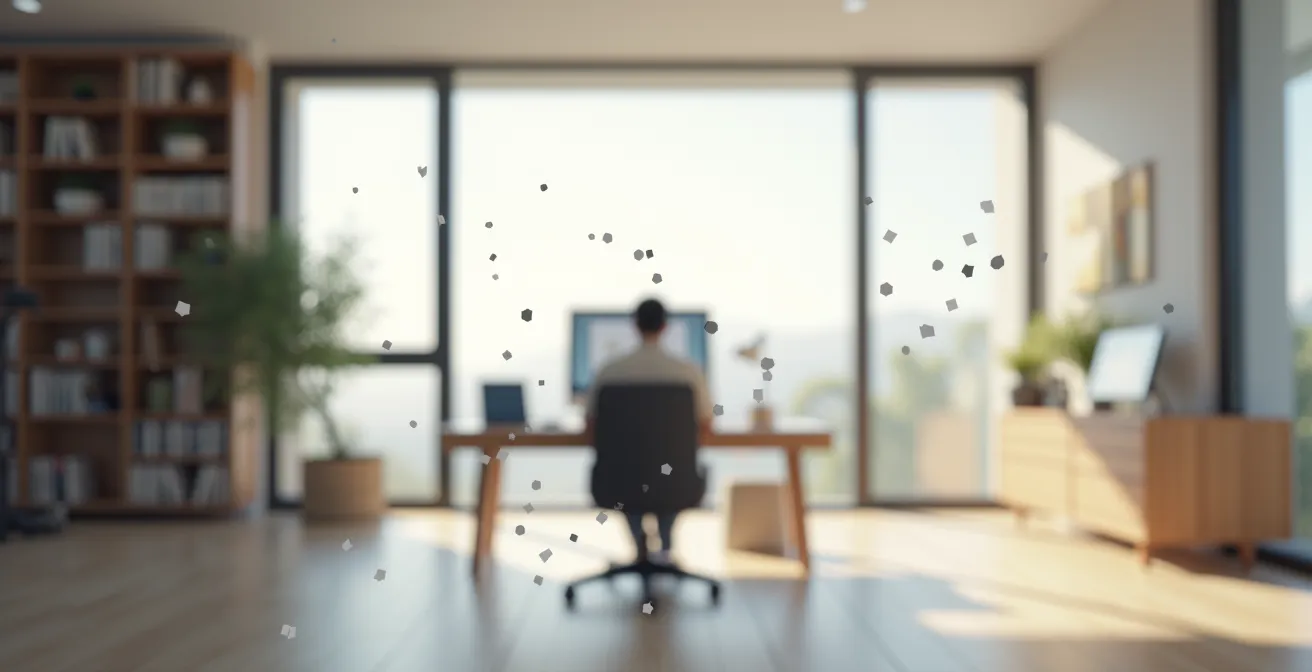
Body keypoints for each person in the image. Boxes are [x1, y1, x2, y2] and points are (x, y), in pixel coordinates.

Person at [584, 298, 713, 564]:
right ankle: (665, 542)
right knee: (666, 475)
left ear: (635, 325)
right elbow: (707, 426)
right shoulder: (689, 373)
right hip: (676, 480)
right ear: (665, 327)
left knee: (630, 477)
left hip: (618, 481)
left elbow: (590, 429)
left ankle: (640, 543)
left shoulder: (608, 372)